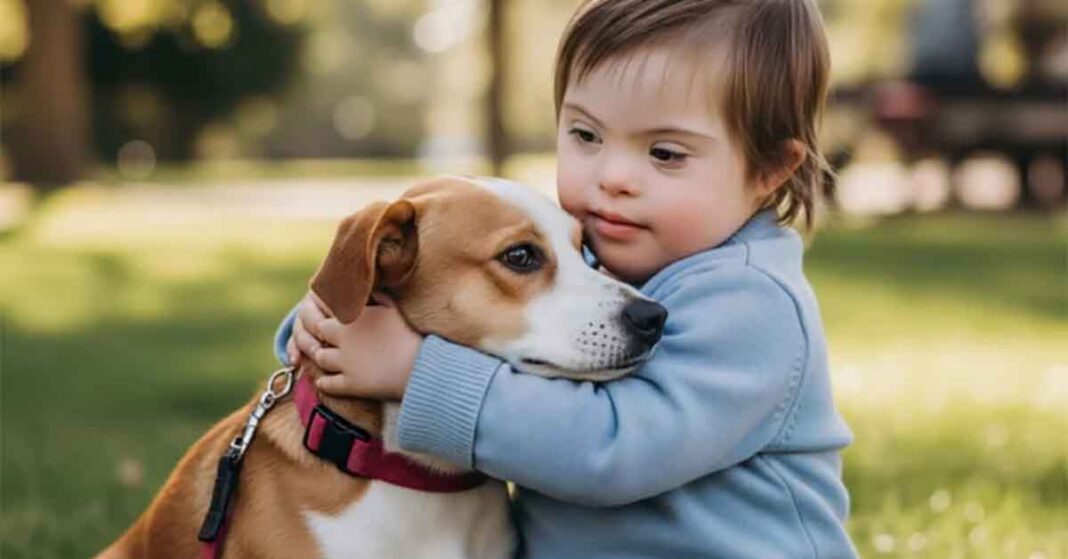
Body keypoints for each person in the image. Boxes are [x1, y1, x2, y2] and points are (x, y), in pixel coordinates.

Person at [276, 0, 857, 556]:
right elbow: (465, 309)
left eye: (665, 153)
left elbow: (611, 449)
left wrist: (412, 371)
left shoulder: (752, 306)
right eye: (586, 136)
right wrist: (331, 329)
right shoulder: (604, 267)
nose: (613, 176)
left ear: (768, 172)